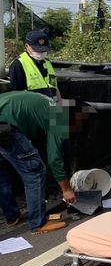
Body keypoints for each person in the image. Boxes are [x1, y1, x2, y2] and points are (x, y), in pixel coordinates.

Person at [0, 91, 79, 234]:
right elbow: (54, 158)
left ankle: (12, 217)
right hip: (4, 127)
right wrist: (66, 189)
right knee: (34, 172)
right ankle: (38, 224)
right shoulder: (59, 117)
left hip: (4, 119)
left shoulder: (46, 103)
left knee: (2, 173)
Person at [9, 30, 61, 99]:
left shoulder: (47, 62)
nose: (41, 53)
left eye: (43, 50)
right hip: (32, 108)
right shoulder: (18, 65)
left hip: (51, 105)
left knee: (75, 105)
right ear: (26, 46)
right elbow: (17, 96)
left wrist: (59, 105)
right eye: (37, 50)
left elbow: (55, 87)